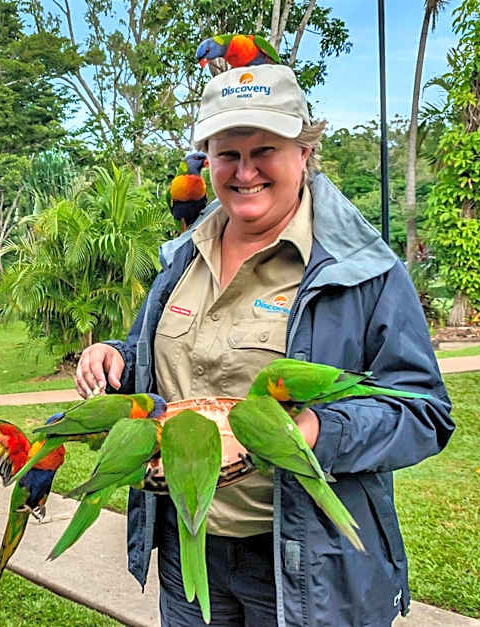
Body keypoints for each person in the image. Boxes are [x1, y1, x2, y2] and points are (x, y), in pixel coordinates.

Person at [74, 63, 454, 626]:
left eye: (265, 150)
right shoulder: (181, 258)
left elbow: (424, 412)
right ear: (208, 161)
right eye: (228, 153)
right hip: (190, 547)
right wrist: (117, 358)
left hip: (306, 566)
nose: (244, 171)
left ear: (304, 151)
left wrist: (310, 433)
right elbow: (161, 361)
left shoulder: (363, 272)